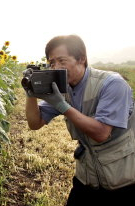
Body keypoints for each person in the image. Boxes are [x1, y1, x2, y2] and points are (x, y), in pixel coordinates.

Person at [23, 34, 135, 206]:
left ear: (81, 59)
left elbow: (102, 133)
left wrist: (62, 106)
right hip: (87, 175)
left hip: (122, 177)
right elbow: (34, 123)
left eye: (62, 60)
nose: (56, 67)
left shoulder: (112, 84)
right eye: (52, 62)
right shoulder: (63, 89)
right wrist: (30, 94)